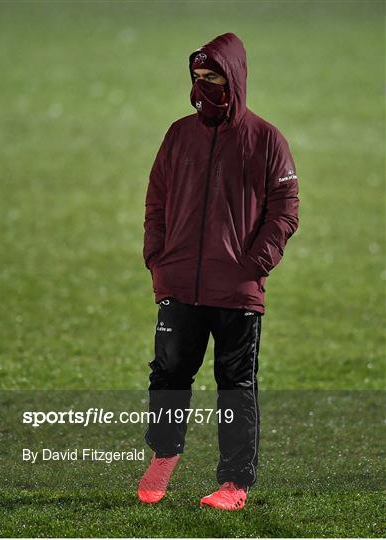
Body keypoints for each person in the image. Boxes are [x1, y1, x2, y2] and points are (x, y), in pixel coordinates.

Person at [138, 32, 299, 510]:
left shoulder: (267, 140)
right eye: (197, 78)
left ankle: (234, 485)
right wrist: (157, 256)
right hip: (179, 283)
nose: (203, 86)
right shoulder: (178, 134)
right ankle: (164, 455)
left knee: (235, 384)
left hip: (237, 291)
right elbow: (157, 201)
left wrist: (254, 264)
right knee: (168, 373)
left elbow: (286, 210)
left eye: (213, 78)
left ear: (235, 80)